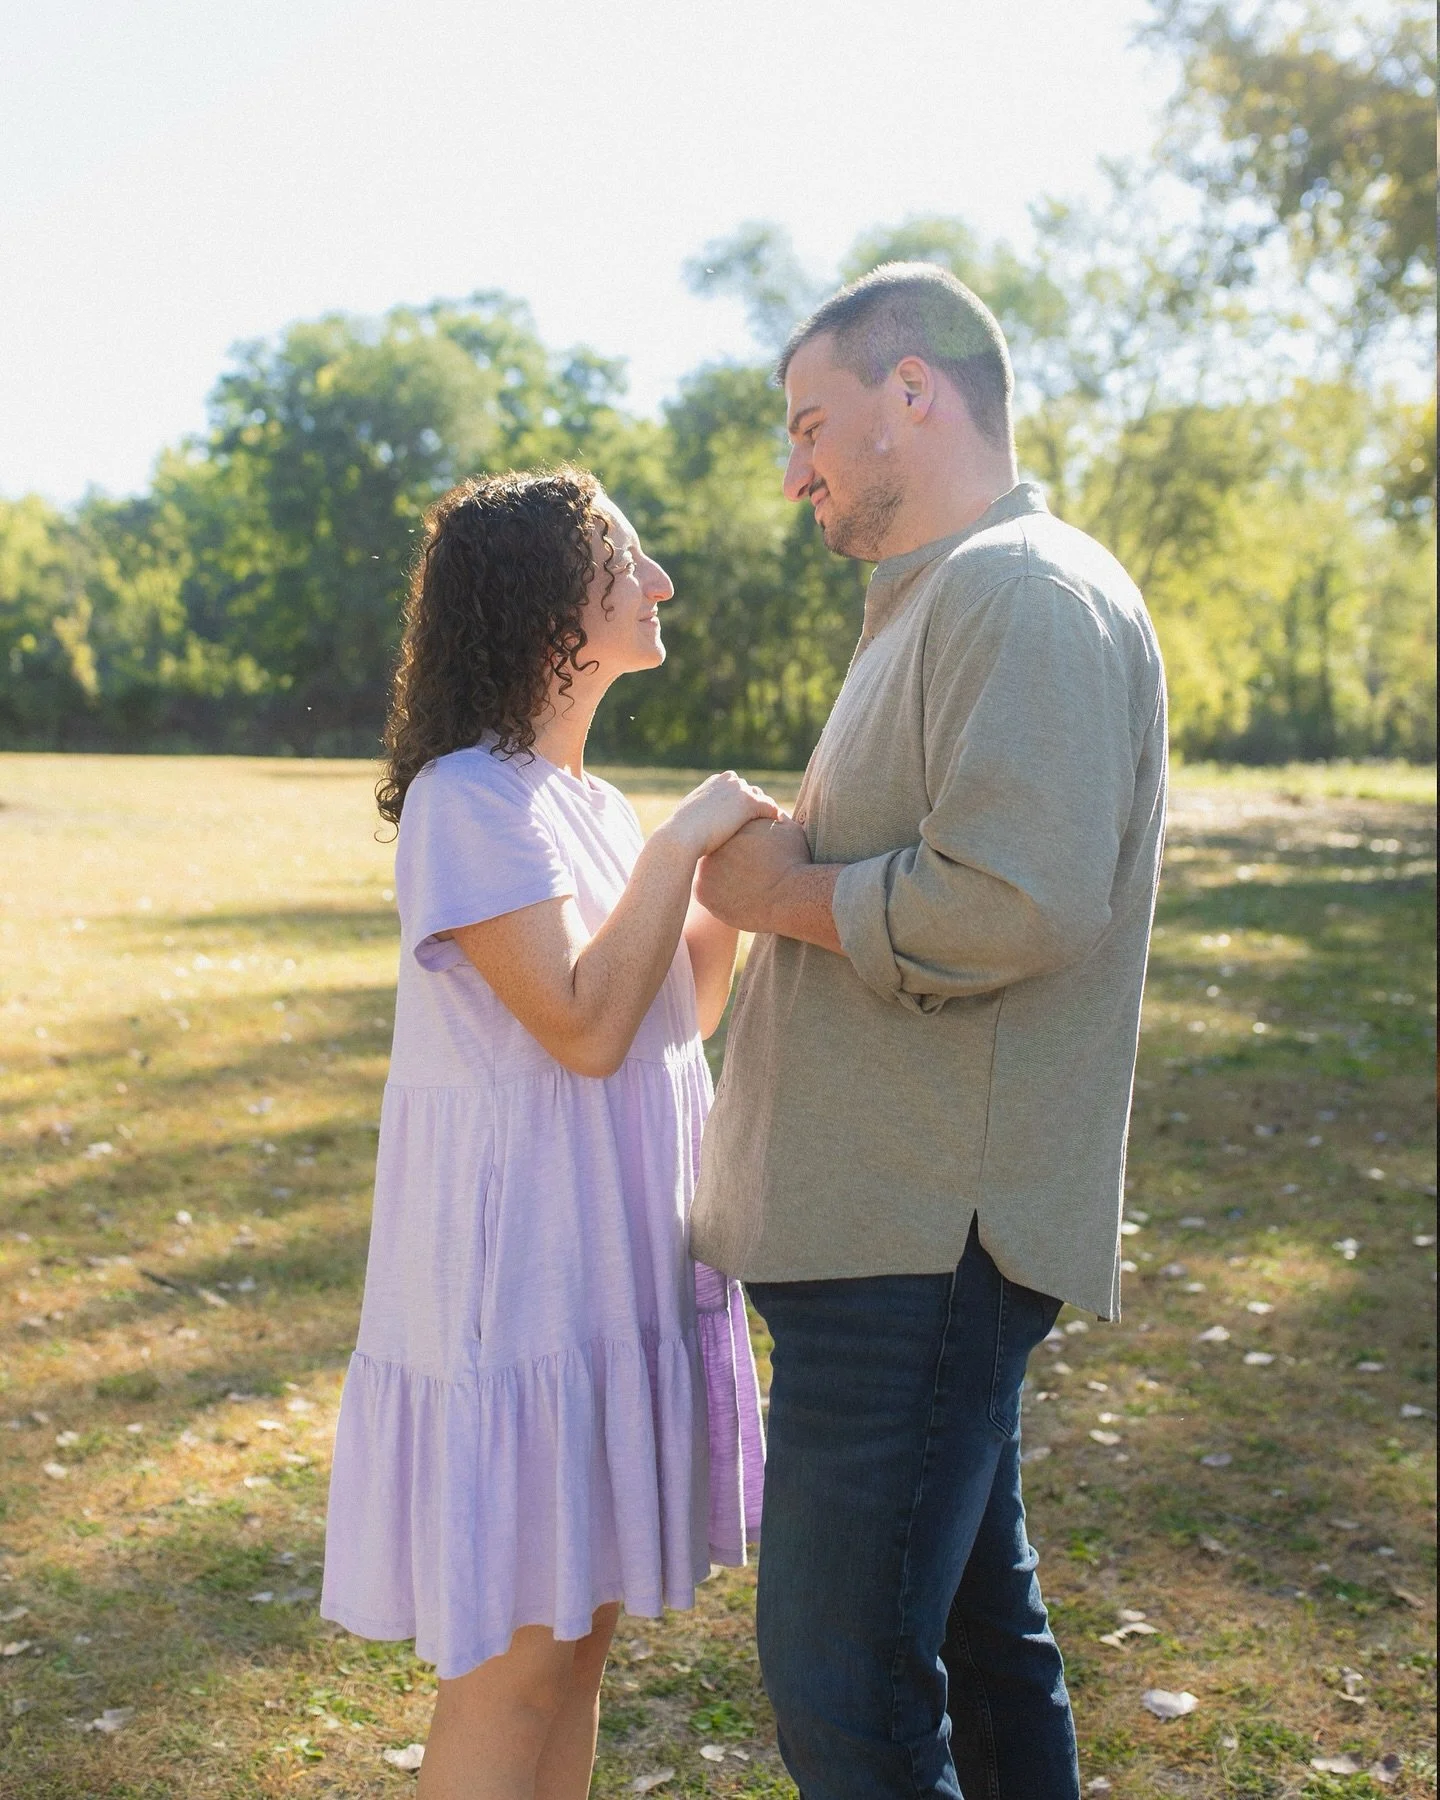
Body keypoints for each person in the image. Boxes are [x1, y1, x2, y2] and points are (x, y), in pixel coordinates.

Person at [690, 263, 1168, 1799]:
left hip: (919, 1250)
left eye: (811, 423)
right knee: (974, 1635)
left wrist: (783, 892)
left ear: (918, 391)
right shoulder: (944, 596)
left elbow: (1016, 901)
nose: (795, 469)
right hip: (887, 1242)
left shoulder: (1022, 592)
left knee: (847, 1693)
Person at [320, 467, 769, 1800]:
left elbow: (675, 1004)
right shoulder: (467, 800)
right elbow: (580, 1024)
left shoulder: (587, 802)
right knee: (516, 1661)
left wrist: (721, 877)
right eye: (628, 557)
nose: (661, 580)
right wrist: (688, 841)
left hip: (606, 1269)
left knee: (579, 1645)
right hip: (515, 1286)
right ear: (545, 605)